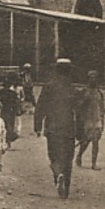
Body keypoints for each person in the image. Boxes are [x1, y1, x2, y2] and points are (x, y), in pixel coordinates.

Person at [34, 58, 81, 199]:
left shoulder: (48, 86)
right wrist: (80, 130)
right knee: (68, 158)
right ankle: (65, 189)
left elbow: (40, 107)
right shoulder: (72, 88)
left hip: (52, 127)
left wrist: (37, 126)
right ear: (69, 71)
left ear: (56, 70)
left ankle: (57, 174)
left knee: (54, 155)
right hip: (68, 128)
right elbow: (78, 112)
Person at [76, 70, 105, 169]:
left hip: (97, 119)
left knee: (96, 141)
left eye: (95, 78)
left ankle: (94, 163)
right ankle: (79, 155)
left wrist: (103, 121)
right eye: (91, 78)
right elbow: (79, 107)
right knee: (85, 141)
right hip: (87, 119)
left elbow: (102, 108)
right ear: (88, 79)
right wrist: (80, 120)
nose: (93, 79)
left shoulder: (99, 93)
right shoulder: (84, 92)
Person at [0, 70, 23, 145]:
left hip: (5, 110)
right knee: (10, 124)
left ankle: (6, 140)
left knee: (5, 124)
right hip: (11, 110)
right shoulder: (13, 93)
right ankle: (9, 139)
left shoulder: (2, 91)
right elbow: (16, 102)